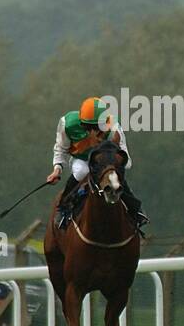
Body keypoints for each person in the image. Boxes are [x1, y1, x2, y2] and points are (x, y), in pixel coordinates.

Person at [46, 96, 146, 232]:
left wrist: (113, 152)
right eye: (88, 127)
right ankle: (62, 208)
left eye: (97, 127)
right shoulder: (67, 124)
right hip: (82, 160)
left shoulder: (114, 128)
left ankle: (136, 211)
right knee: (81, 171)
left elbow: (127, 162)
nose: (93, 132)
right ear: (82, 123)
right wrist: (57, 169)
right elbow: (61, 148)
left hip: (105, 163)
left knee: (114, 176)